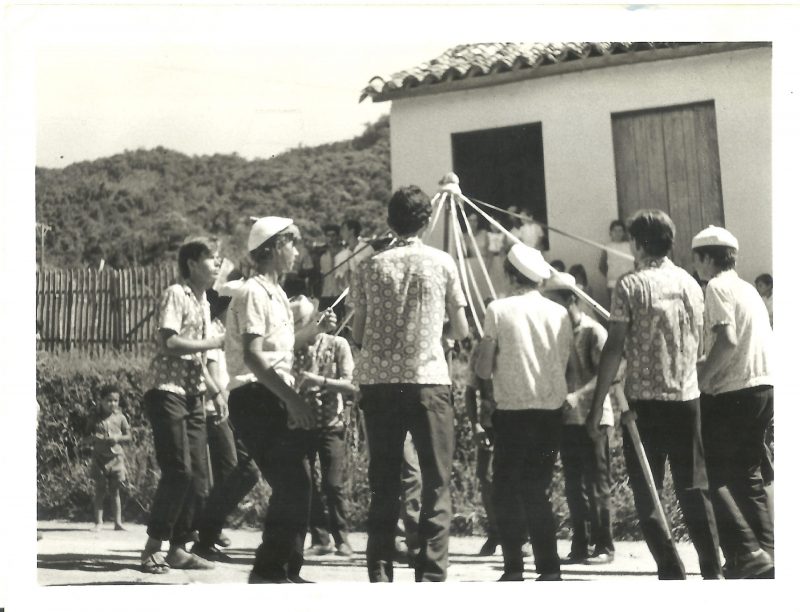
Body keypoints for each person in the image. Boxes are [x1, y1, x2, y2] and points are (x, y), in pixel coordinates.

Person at [587, 209, 722, 580]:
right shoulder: (691, 284)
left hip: (644, 404)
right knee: (693, 487)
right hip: (685, 398)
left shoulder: (630, 285)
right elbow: (701, 342)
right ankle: (712, 568)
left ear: (637, 243)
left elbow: (613, 348)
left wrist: (597, 405)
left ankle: (670, 567)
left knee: (647, 489)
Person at [351, 185, 469, 582]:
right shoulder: (443, 263)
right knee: (436, 481)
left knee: (384, 482)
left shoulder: (368, 266)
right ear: (428, 220)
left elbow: (360, 333)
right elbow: (462, 327)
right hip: (428, 381)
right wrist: (432, 328)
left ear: (389, 221)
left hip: (379, 384)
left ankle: (381, 572)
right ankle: (431, 575)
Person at [225, 216, 336, 583]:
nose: (297, 252)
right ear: (271, 248)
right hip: (258, 397)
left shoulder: (276, 295)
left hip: (271, 393)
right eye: (292, 244)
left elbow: (280, 349)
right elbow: (255, 357)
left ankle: (285, 567)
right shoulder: (253, 292)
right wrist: (292, 400)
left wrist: (315, 330)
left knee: (299, 482)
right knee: (294, 482)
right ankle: (269, 570)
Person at [475, 244, 572, 581]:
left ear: (510, 274)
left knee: (505, 489)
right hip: (549, 411)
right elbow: (562, 363)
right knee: (536, 489)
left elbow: (484, 370)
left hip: (513, 410)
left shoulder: (498, 310)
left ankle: (514, 566)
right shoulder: (559, 313)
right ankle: (549, 567)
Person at [692, 226, 774, 579]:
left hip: (734, 393)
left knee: (711, 474)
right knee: (748, 474)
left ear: (707, 258)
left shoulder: (717, 287)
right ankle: (767, 553)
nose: (697, 267)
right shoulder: (749, 289)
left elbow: (726, 340)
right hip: (763, 388)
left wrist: (701, 379)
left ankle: (746, 552)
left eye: (697, 260)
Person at [139, 237, 224, 574]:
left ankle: (178, 547)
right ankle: (152, 548)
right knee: (179, 470)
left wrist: (215, 388)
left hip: (193, 394)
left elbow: (199, 355)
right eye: (211, 258)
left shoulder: (203, 302)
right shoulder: (177, 293)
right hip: (167, 391)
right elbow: (169, 340)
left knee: (199, 477)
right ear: (191, 263)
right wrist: (212, 342)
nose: (216, 263)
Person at [542, 273, 615, 564]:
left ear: (571, 300)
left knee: (597, 483)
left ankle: (604, 546)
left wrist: (578, 396)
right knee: (573, 484)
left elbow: (605, 376)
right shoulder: (556, 336)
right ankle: (580, 544)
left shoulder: (594, 332)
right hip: (567, 419)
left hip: (594, 416)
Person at [190, 284, 261, 562]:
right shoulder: (213, 332)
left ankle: (208, 529)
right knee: (238, 472)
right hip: (215, 409)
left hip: (231, 409)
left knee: (240, 473)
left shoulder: (227, 333)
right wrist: (216, 395)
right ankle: (205, 531)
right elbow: (201, 365)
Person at [292, 295, 356, 558]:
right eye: (296, 322)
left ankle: (342, 537)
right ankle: (320, 538)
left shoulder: (337, 344)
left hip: (331, 423)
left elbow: (351, 385)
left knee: (333, 484)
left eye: (305, 320)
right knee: (306, 483)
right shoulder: (291, 348)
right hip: (301, 424)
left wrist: (318, 381)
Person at [86, 383, 131, 532]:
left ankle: (118, 522)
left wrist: (118, 438)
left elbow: (129, 436)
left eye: (115, 400)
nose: (112, 404)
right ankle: (98, 522)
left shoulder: (121, 418)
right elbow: (86, 436)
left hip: (116, 459)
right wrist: (95, 438)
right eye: (109, 400)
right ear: (101, 401)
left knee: (115, 491)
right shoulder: (95, 418)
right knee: (99, 490)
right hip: (99, 459)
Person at [598, 219, 635, 305]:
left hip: (629, 283)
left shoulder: (629, 245)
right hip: (613, 284)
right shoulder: (607, 247)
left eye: (620, 231)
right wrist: (611, 275)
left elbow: (636, 262)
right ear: (610, 232)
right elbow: (602, 266)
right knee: (616, 309)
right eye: (615, 230)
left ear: (623, 232)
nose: (618, 233)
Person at [319, 223, 345, 317]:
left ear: (338, 237)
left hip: (341, 295)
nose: (331, 238)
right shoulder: (323, 255)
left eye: (333, 235)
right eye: (328, 236)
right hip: (326, 295)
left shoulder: (345, 253)